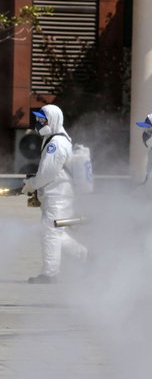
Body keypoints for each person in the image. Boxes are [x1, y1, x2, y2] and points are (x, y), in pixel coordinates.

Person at [21, 104, 88, 284]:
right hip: (58, 194)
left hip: (58, 195)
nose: (38, 123)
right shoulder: (56, 139)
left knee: (50, 232)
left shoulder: (56, 143)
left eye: (42, 120)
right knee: (54, 231)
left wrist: (31, 184)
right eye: (38, 119)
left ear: (53, 120)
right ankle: (84, 256)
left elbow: (47, 173)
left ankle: (50, 274)